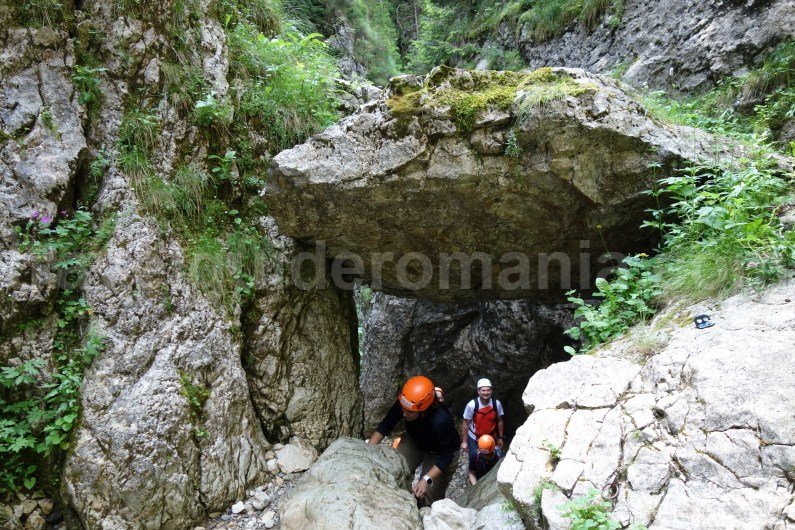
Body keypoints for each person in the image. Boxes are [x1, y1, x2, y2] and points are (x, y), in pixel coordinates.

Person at [368, 375, 461, 507]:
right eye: (403, 409)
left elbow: (447, 456)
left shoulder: (441, 420)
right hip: (415, 440)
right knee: (395, 468)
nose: (404, 414)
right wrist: (368, 450)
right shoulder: (407, 402)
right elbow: (387, 423)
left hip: (439, 454)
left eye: (410, 412)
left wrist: (426, 479)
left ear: (424, 410)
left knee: (427, 493)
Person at [460, 378, 505, 472]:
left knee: (495, 454)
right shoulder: (472, 405)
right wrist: (464, 442)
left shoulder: (496, 404)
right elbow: (465, 424)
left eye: (488, 390)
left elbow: (500, 421)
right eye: (483, 390)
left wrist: (500, 437)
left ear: (491, 391)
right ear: (478, 391)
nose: (486, 392)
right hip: (475, 437)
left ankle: (490, 471)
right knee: (474, 456)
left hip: (491, 435)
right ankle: (474, 472)